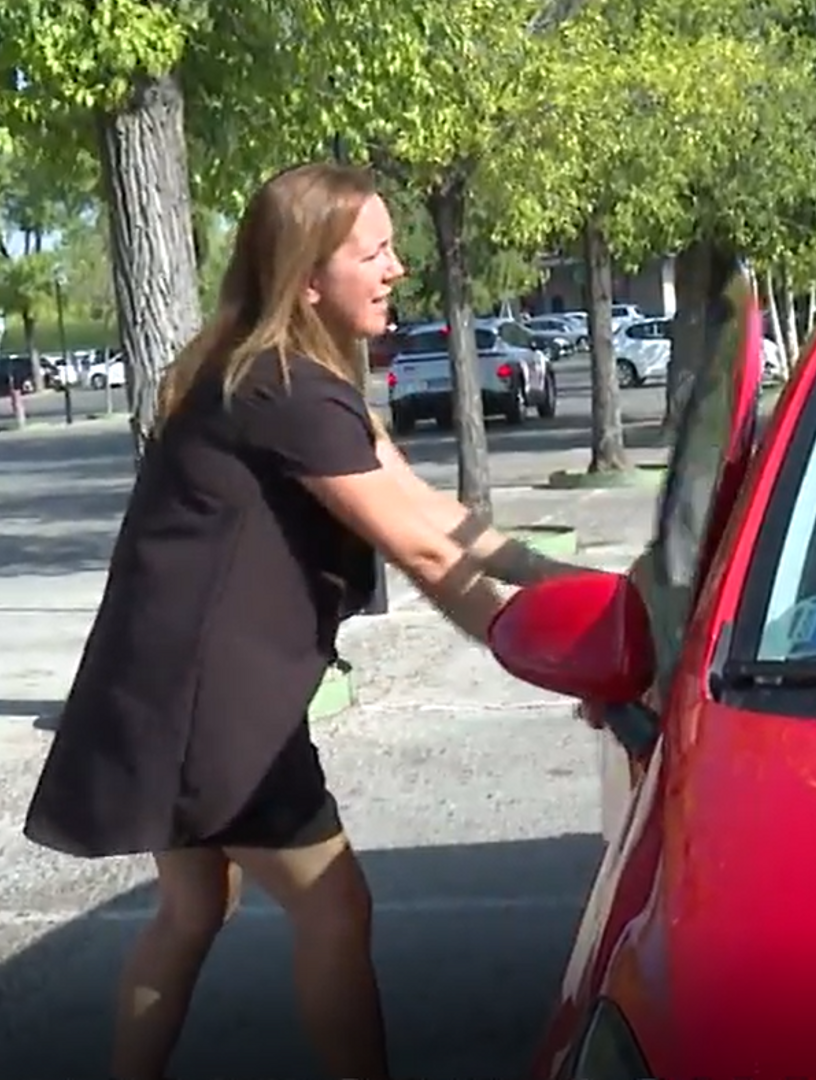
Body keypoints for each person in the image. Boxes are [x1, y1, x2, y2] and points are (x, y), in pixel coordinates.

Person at [21, 160, 582, 1080]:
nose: (398, 267)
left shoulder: (268, 372)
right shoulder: (285, 388)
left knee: (193, 911)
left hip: (169, 696)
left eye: (395, 245)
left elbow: (429, 510)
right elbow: (428, 552)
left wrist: (573, 581)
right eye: (374, 252)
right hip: (216, 716)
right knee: (335, 908)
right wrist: (569, 654)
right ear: (309, 277)